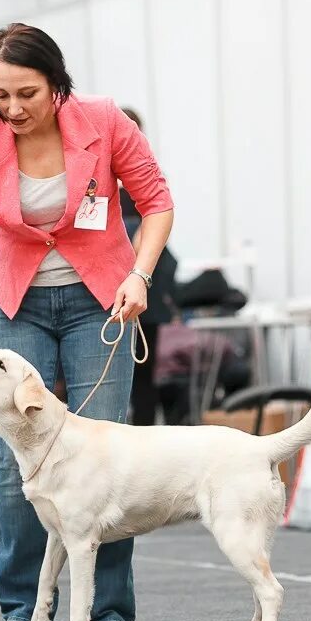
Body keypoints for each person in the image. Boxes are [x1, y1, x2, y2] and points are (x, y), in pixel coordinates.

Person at [0, 23, 175, 621]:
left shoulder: (105, 121)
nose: (13, 109)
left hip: (102, 300)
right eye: (0, 96)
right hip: (16, 304)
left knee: (105, 460)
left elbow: (157, 203)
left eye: (28, 94)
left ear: (57, 84)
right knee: (16, 463)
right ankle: (20, 606)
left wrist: (140, 276)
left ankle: (109, 612)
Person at [119, 107, 178, 427]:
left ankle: (142, 431)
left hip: (141, 288)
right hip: (103, 289)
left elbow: (150, 232)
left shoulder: (145, 182)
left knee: (143, 372)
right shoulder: (94, 183)